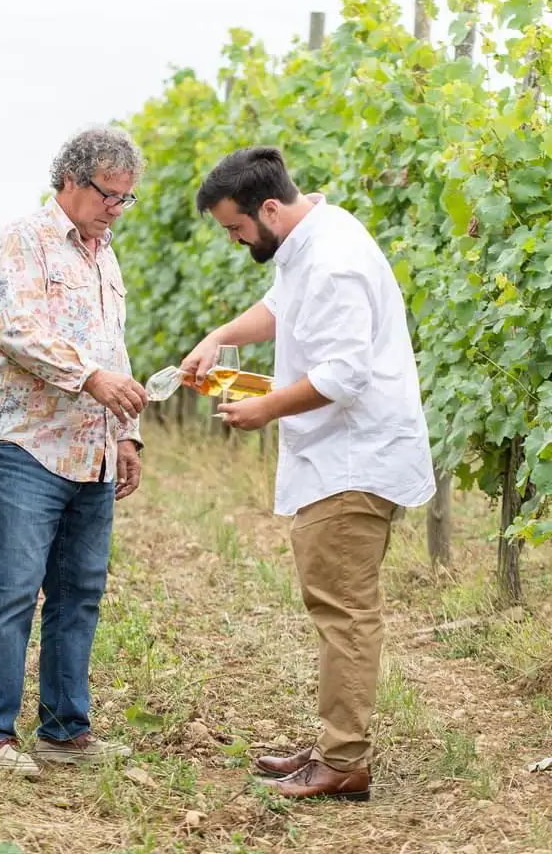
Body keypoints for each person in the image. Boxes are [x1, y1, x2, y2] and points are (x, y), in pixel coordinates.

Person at [182, 146, 435, 801]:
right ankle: (332, 745)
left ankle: (345, 761)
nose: (236, 240)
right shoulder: (308, 243)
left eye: (237, 228)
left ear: (269, 208)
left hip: (354, 462)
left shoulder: (334, 260)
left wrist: (263, 408)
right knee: (334, 608)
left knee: (345, 614)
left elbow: (344, 374)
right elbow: (278, 308)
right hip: (338, 458)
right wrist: (220, 338)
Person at [0, 127, 148, 776]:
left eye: (126, 200)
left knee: (80, 591)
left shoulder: (105, 258)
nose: (116, 211)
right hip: (27, 443)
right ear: (70, 181)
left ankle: (65, 731)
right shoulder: (24, 242)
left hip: (92, 449)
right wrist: (90, 379)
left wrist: (125, 434)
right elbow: (17, 331)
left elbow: (113, 350)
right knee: (14, 589)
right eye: (109, 196)